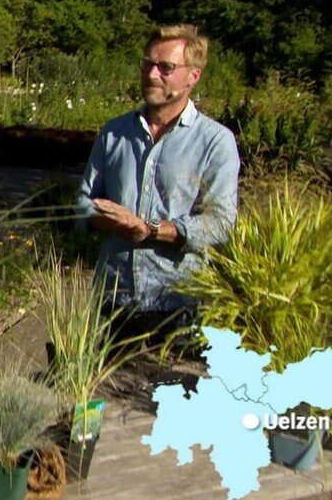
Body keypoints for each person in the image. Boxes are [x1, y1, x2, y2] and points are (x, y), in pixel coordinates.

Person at [76, 24, 239, 344]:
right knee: (100, 393)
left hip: (176, 305)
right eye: (147, 64)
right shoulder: (114, 133)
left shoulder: (215, 142)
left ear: (193, 76)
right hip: (112, 301)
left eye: (165, 67)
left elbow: (221, 223)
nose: (151, 74)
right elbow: (82, 203)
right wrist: (108, 221)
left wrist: (150, 229)